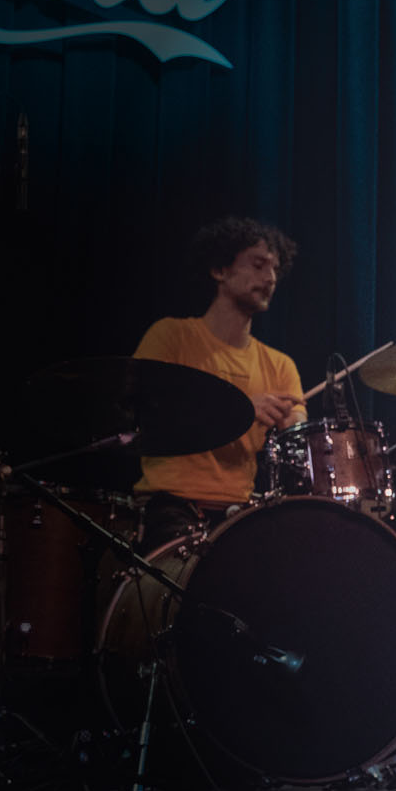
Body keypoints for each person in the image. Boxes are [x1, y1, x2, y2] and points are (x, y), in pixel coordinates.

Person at [132, 217, 305, 546]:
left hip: (240, 512)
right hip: (170, 504)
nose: (270, 278)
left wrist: (293, 427)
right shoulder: (171, 336)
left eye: (275, 270)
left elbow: (298, 430)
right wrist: (238, 410)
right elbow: (148, 414)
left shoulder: (281, 365)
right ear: (220, 270)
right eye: (258, 265)